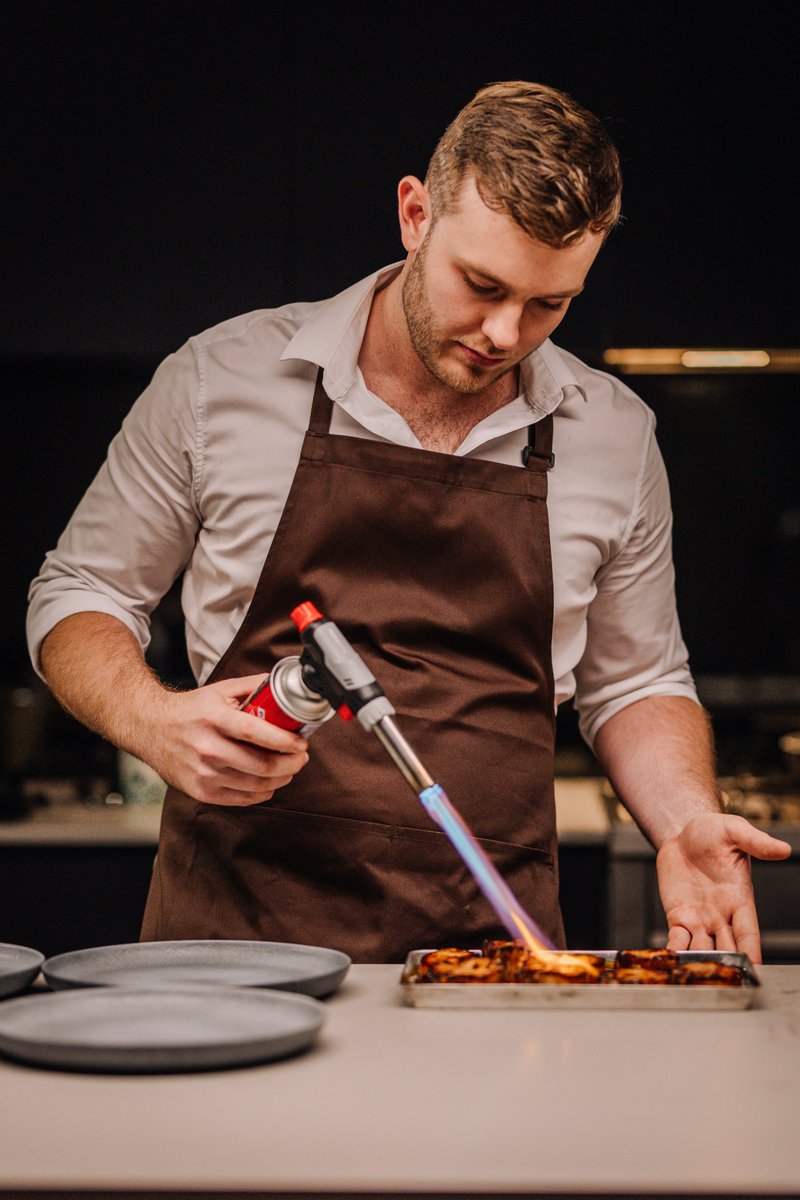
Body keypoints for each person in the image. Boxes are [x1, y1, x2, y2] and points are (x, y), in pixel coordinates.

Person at [27, 80, 790, 964]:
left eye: (549, 304)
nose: (504, 331)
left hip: (489, 960)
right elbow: (79, 592)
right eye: (482, 284)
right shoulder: (219, 380)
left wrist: (685, 819)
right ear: (415, 214)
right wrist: (154, 721)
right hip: (232, 947)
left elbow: (637, 681)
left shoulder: (612, 433)